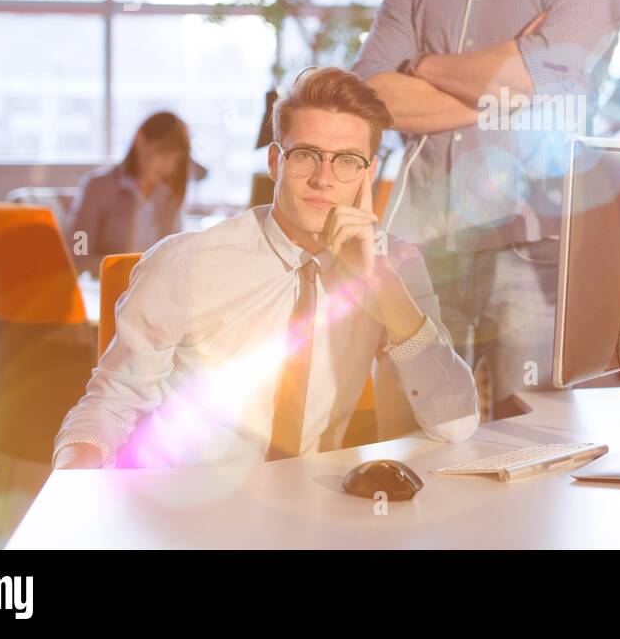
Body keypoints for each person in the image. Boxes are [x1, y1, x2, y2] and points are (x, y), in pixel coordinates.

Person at [352, 0, 620, 415]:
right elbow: (372, 99)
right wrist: (502, 80)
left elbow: (551, 75)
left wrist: (421, 68)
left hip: (532, 244)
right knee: (411, 431)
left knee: (538, 432)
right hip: (423, 240)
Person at [53, 67, 478, 469]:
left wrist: (379, 284)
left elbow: (455, 424)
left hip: (308, 514)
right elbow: (113, 402)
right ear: (275, 162)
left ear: (369, 173)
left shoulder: (394, 267)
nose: (324, 179)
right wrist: (76, 478)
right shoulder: (186, 263)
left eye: (347, 160)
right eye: (306, 156)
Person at [67, 111, 190, 277]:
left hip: (153, 293)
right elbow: (78, 255)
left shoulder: (168, 198)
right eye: (163, 153)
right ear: (140, 140)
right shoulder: (98, 187)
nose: (168, 166)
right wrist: (125, 268)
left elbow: (174, 257)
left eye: (175, 160)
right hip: (107, 289)